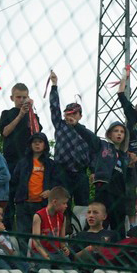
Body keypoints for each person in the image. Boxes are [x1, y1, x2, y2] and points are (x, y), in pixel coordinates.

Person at [48, 71, 99, 207]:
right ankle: (62, 227)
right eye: (68, 113)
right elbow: (54, 108)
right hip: (62, 172)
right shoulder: (60, 125)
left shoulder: (85, 132)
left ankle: (80, 229)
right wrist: (54, 86)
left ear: (80, 116)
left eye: (74, 113)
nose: (71, 116)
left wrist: (93, 171)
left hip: (81, 174)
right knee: (61, 205)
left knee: (82, 205)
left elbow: (93, 152)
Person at [0, 83, 42, 228]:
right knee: (9, 197)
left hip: (28, 162)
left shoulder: (33, 116)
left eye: (24, 97)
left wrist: (29, 113)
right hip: (10, 162)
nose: (21, 100)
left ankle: (27, 232)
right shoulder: (6, 113)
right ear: (12, 98)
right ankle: (8, 231)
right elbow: (5, 132)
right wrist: (20, 114)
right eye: (19, 97)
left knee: (27, 198)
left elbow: (37, 133)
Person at [11, 132, 57, 247]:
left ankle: (41, 261)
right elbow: (13, 181)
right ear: (30, 145)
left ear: (45, 145)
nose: (37, 144)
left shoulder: (51, 164)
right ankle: (23, 264)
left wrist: (50, 191)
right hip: (23, 204)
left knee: (43, 235)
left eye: (40, 142)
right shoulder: (23, 162)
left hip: (43, 205)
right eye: (34, 142)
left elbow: (58, 182)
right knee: (23, 236)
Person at [92, 121, 129, 232]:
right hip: (104, 190)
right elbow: (89, 137)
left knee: (119, 228)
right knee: (99, 223)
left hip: (119, 195)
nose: (119, 134)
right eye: (116, 131)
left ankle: (118, 247)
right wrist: (76, 125)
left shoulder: (125, 156)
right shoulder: (103, 145)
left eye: (122, 132)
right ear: (109, 134)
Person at [30, 186, 72, 263]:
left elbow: (62, 240)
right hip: (39, 252)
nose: (66, 206)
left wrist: (65, 248)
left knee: (70, 269)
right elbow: (36, 241)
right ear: (55, 202)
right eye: (64, 203)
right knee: (46, 268)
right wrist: (45, 255)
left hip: (56, 252)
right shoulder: (38, 216)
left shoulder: (62, 217)